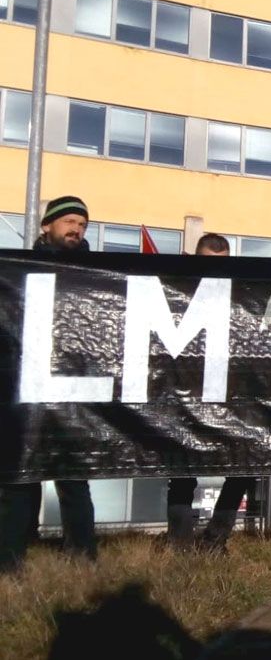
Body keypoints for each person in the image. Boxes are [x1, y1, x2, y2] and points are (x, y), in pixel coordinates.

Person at [0, 196, 98, 571]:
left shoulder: (96, 271)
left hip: (75, 390)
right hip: (26, 388)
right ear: (47, 226)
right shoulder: (20, 269)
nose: (76, 229)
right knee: (21, 479)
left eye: (83, 224)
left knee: (74, 478)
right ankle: (11, 562)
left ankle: (83, 559)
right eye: (69, 221)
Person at [164, 234, 248, 550]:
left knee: (244, 466)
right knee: (182, 471)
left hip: (227, 395)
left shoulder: (238, 294)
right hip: (183, 395)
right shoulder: (175, 289)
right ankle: (181, 545)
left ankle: (215, 537)